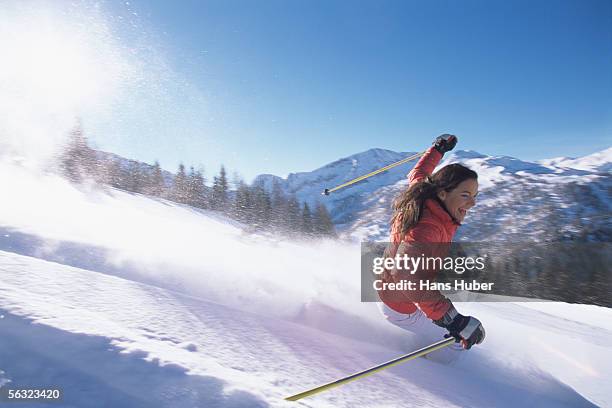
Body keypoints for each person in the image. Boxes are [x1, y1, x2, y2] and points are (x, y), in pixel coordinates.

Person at [377, 134, 485, 358]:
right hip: (400, 305)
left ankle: (423, 348)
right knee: (457, 347)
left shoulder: (424, 194)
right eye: (465, 195)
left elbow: (419, 173)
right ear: (443, 193)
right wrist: (453, 320)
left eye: (475, 195)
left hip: (395, 292)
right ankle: (428, 373)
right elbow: (406, 277)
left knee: (447, 334)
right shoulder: (428, 228)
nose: (472, 203)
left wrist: (437, 149)